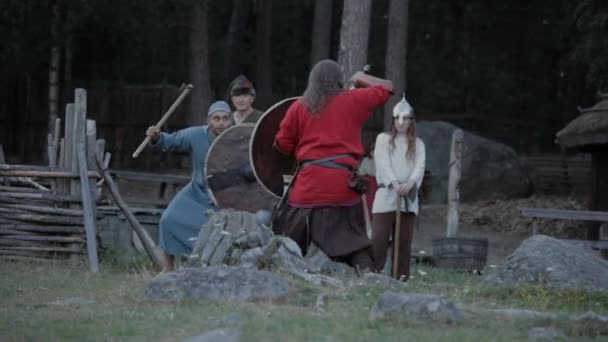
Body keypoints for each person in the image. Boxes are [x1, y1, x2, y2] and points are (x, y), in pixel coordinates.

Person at [272, 59, 393, 271]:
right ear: (339, 80)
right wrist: (361, 78)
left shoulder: (299, 106)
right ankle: (367, 278)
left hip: (308, 188)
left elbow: (283, 144)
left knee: (289, 244)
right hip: (342, 186)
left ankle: (283, 275)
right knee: (355, 244)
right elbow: (387, 88)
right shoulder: (354, 100)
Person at [146, 100, 233, 272]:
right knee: (168, 219)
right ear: (208, 120)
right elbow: (170, 141)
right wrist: (156, 137)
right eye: (216, 118)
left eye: (225, 118)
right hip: (197, 191)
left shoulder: (237, 138)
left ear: (231, 120)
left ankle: (210, 266)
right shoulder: (196, 135)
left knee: (218, 232)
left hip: (225, 196)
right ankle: (168, 267)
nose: (221, 122)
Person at [370, 95, 426, 281]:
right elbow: (383, 163)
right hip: (386, 195)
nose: (401, 122)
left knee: (403, 244)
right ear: (393, 120)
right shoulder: (383, 140)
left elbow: (419, 166)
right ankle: (374, 277)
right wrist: (394, 183)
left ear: (411, 120)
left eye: (405, 118)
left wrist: (409, 183)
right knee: (378, 239)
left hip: (408, 197)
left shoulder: (418, 144)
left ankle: (400, 280)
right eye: (397, 118)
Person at [358, 141, 378, 219]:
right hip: (367, 186)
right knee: (367, 204)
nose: (375, 153)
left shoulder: (382, 162)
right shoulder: (366, 160)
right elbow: (360, 172)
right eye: (373, 151)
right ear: (370, 152)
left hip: (377, 186)